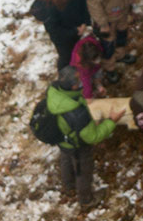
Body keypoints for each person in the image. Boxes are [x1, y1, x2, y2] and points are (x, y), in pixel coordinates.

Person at [36, 65, 116, 206]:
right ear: (73, 87)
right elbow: (93, 137)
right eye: (79, 81)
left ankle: (68, 185)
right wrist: (111, 121)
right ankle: (86, 200)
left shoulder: (54, 90)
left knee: (66, 158)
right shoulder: (77, 113)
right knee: (83, 170)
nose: (83, 82)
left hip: (62, 138)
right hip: (77, 144)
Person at [28, 0, 90, 71]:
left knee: (77, 51)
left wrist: (84, 22)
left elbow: (84, 6)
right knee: (66, 56)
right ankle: (65, 77)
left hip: (77, 27)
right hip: (63, 37)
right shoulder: (50, 5)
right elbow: (54, 30)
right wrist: (74, 32)